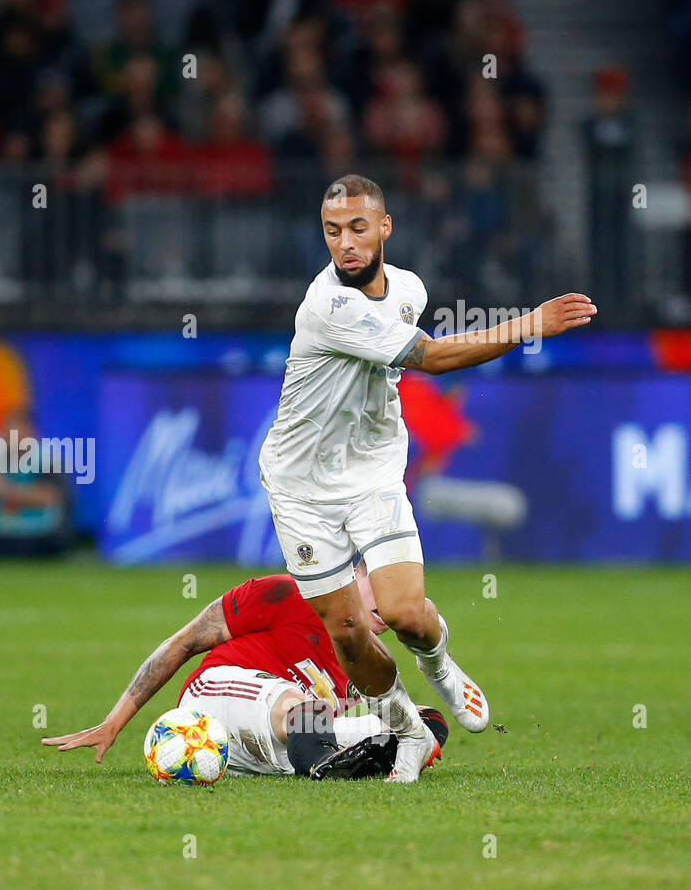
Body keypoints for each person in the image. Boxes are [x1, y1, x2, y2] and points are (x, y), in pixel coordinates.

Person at [256, 173, 594, 780]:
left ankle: (438, 662)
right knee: (350, 633)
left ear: (385, 227)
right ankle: (406, 730)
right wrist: (529, 325)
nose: (346, 244)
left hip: (372, 473)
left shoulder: (408, 290)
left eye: (358, 228)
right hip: (300, 485)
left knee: (405, 614)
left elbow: (419, 350)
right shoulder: (327, 305)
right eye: (333, 231)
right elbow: (433, 359)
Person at [42, 569, 447, 780]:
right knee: (307, 708)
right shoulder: (286, 593)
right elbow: (182, 643)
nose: (393, 604)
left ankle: (338, 760)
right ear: (353, 574)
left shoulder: (367, 662)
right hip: (214, 701)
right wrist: (115, 722)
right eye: (382, 585)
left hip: (262, 752)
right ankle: (350, 754)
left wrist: (417, 728)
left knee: (424, 721)